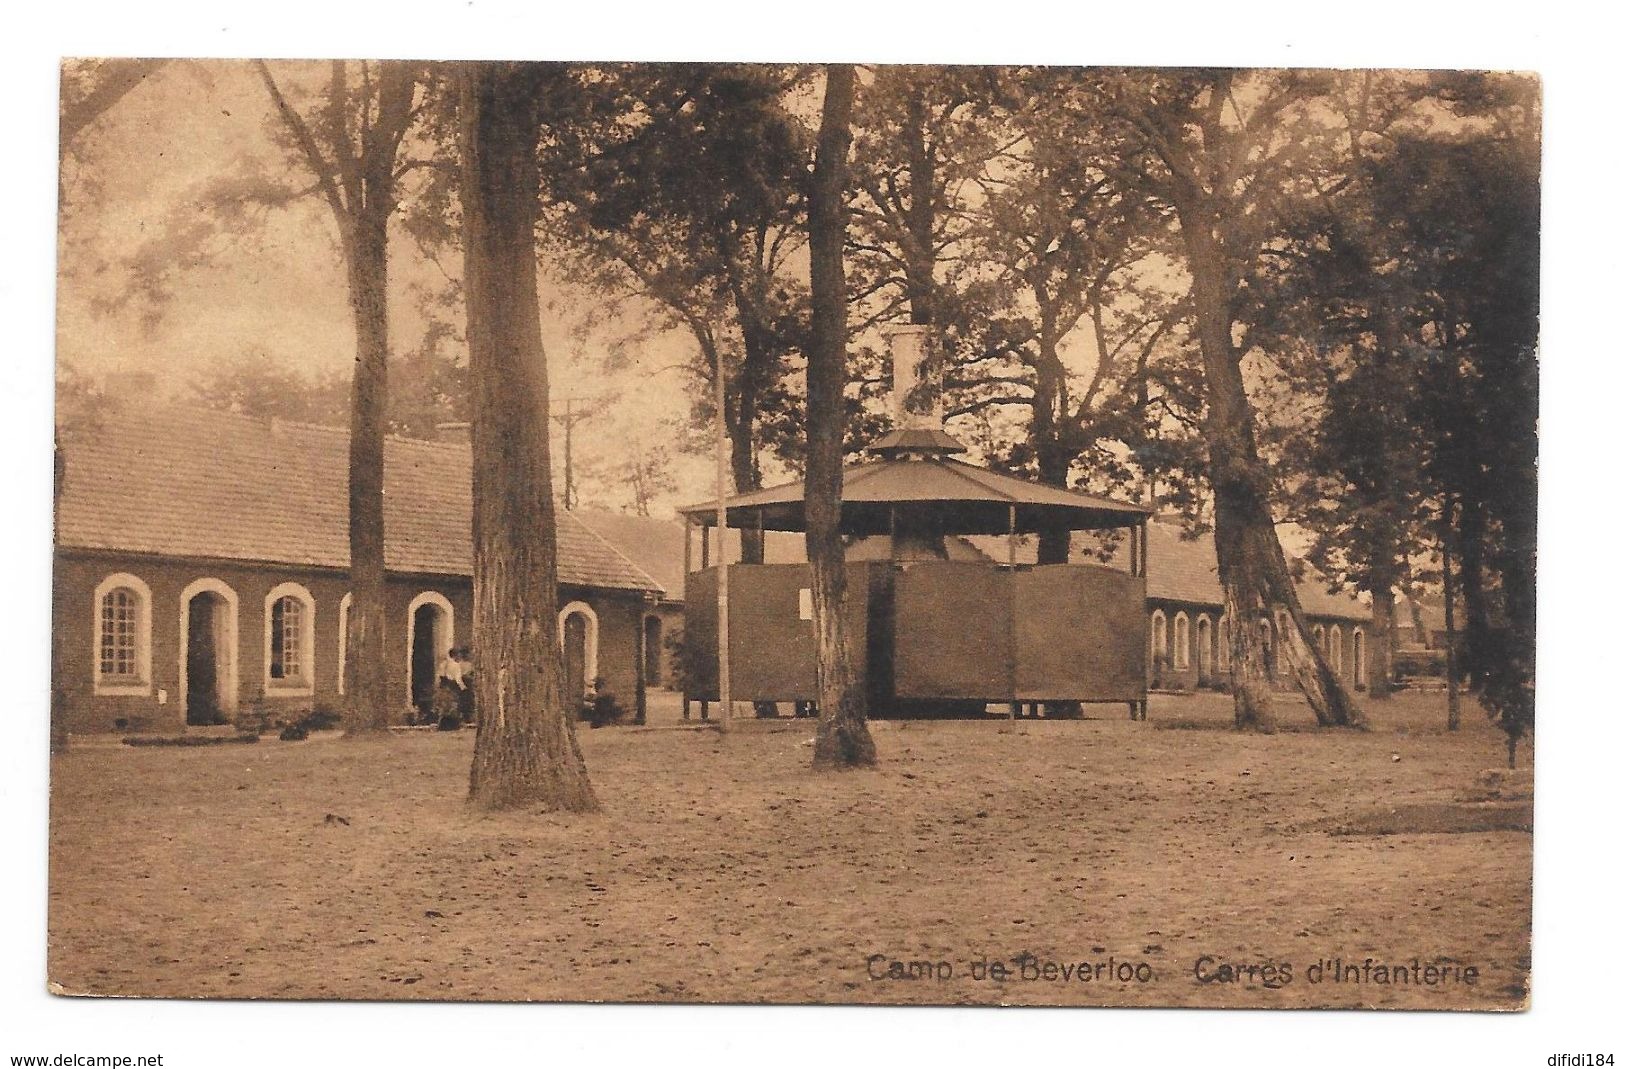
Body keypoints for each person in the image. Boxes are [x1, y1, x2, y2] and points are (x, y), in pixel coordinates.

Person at [433, 646, 466, 730]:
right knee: (453, 705)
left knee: (444, 706)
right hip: (452, 686)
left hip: (444, 686)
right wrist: (463, 688)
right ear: (455, 655)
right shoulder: (456, 665)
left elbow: (439, 676)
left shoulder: (443, 664)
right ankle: (453, 725)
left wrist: (438, 687)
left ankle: (443, 725)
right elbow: (458, 679)